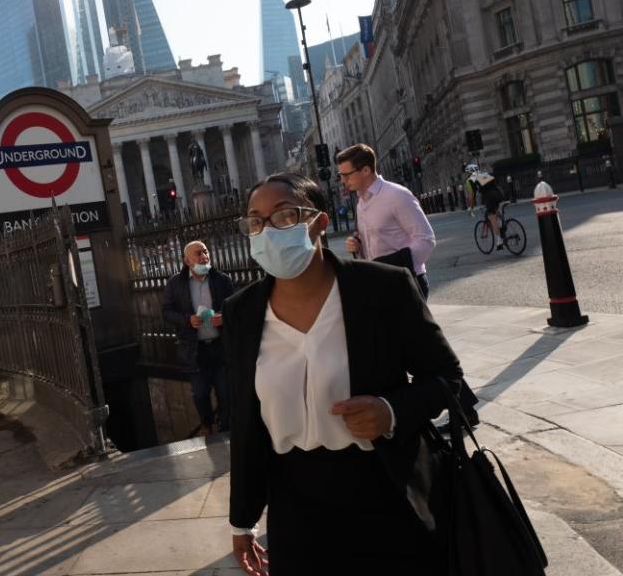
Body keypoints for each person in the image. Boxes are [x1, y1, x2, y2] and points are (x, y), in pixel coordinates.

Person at [227, 173, 466, 575]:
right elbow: (246, 423)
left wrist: (390, 411)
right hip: (296, 507)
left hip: (385, 490)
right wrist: (243, 519)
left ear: (320, 223)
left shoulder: (381, 288)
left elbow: (449, 378)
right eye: (255, 222)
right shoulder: (241, 311)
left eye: (284, 216)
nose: (267, 231)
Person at [339, 144, 437, 299]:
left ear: (366, 170)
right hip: (377, 282)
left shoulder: (397, 195)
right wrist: (358, 246)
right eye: (341, 175)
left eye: (347, 175)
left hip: (406, 281)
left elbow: (426, 240)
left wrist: (394, 267)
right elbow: (372, 247)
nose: (343, 180)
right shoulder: (360, 203)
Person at [163, 240, 235, 435]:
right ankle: (207, 424)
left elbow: (235, 307)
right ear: (187, 260)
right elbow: (167, 312)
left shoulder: (222, 280)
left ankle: (226, 428)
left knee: (225, 392)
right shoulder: (175, 284)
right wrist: (188, 320)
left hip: (220, 347)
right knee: (200, 394)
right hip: (195, 350)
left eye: (205, 251)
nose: (204, 256)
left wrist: (224, 317)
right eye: (198, 253)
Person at [467, 168, 506, 250]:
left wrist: (471, 208)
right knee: (496, 212)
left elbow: (472, 196)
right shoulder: (484, 174)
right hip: (499, 193)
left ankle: (500, 240)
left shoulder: (470, 181)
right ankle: (502, 227)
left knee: (491, 216)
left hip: (490, 198)